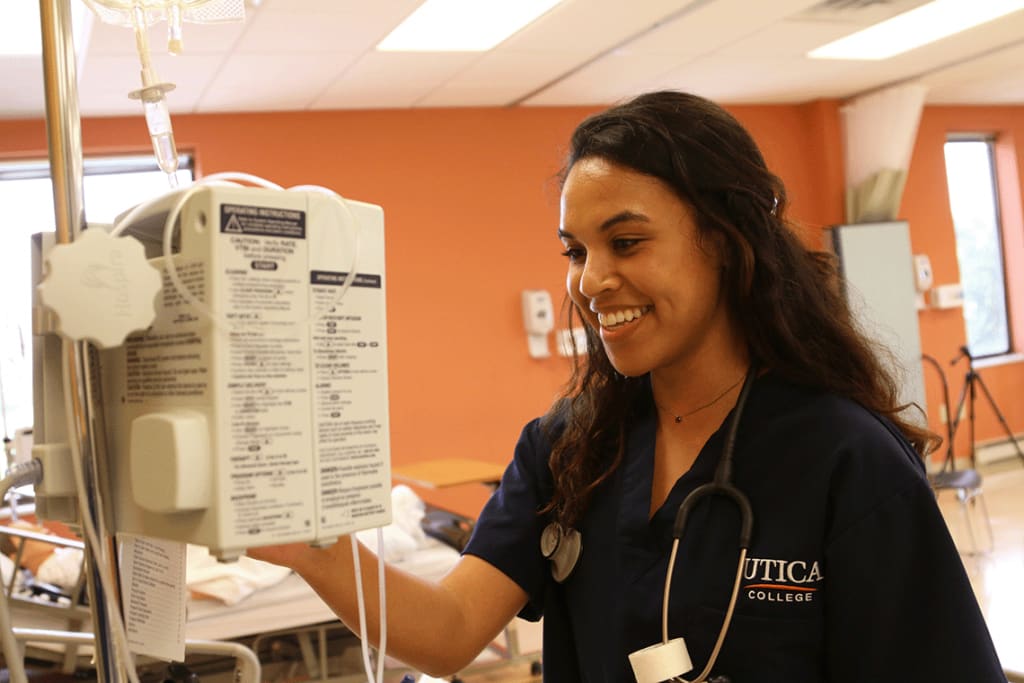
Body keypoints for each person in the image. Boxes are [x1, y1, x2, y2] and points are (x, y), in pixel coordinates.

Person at [248, 91, 1005, 682]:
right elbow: (449, 631)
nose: (590, 280)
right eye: (576, 249)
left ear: (727, 240)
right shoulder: (573, 445)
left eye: (627, 241)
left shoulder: (845, 460)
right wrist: (312, 547)